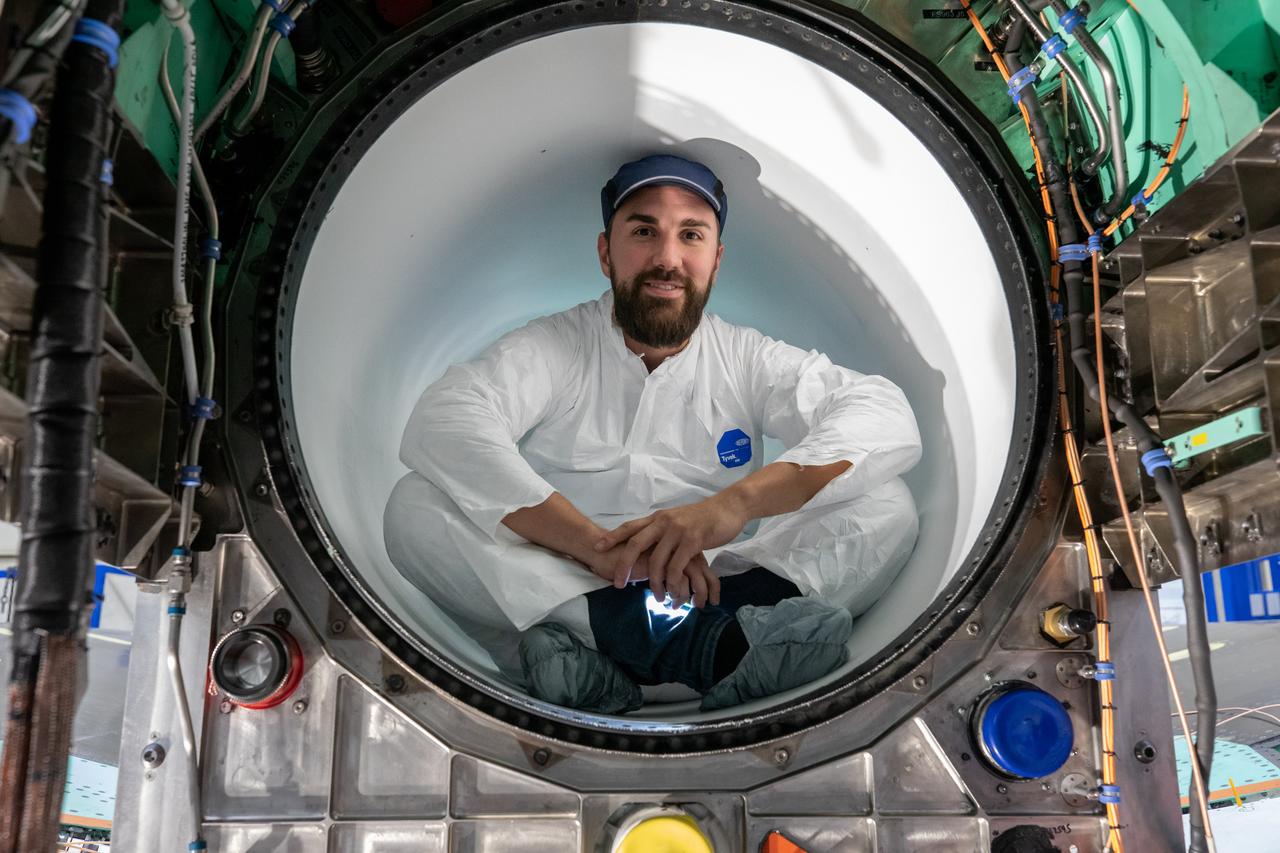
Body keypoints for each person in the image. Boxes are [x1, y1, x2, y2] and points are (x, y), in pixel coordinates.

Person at [384, 153, 921, 714]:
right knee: (412, 508)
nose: (667, 258)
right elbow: (448, 417)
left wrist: (731, 506)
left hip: (719, 581)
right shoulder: (555, 345)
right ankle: (709, 651)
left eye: (691, 235)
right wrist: (599, 551)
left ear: (716, 260)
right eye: (644, 231)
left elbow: (877, 409)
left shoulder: (745, 357)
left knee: (886, 498)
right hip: (569, 577)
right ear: (604, 252)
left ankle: (622, 661)